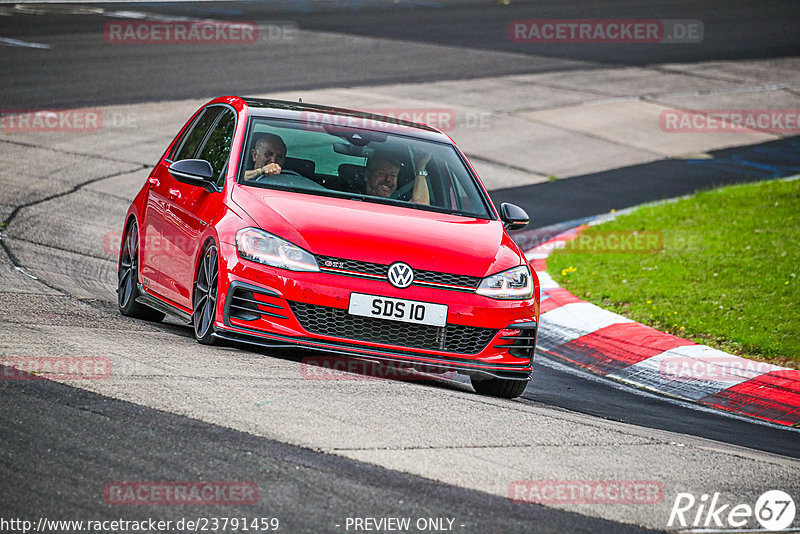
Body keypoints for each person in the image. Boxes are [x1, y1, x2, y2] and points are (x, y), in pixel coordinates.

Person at [363, 151, 430, 205]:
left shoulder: (400, 203)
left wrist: (420, 167)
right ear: (367, 176)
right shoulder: (355, 198)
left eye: (393, 175)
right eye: (382, 173)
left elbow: (421, 207)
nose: (388, 179)